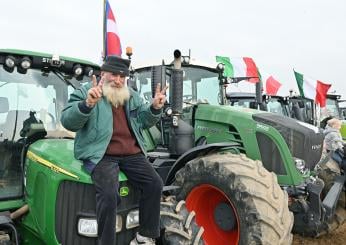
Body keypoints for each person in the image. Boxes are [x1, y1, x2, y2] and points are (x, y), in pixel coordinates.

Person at [61, 55, 167, 245]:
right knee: (109, 194)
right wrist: (87, 105)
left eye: (122, 76)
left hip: (131, 153)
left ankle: (144, 236)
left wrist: (154, 108)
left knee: (155, 184)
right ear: (103, 73)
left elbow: (143, 121)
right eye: (114, 75)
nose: (118, 80)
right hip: (102, 154)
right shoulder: (87, 91)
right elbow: (68, 121)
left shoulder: (131, 95)